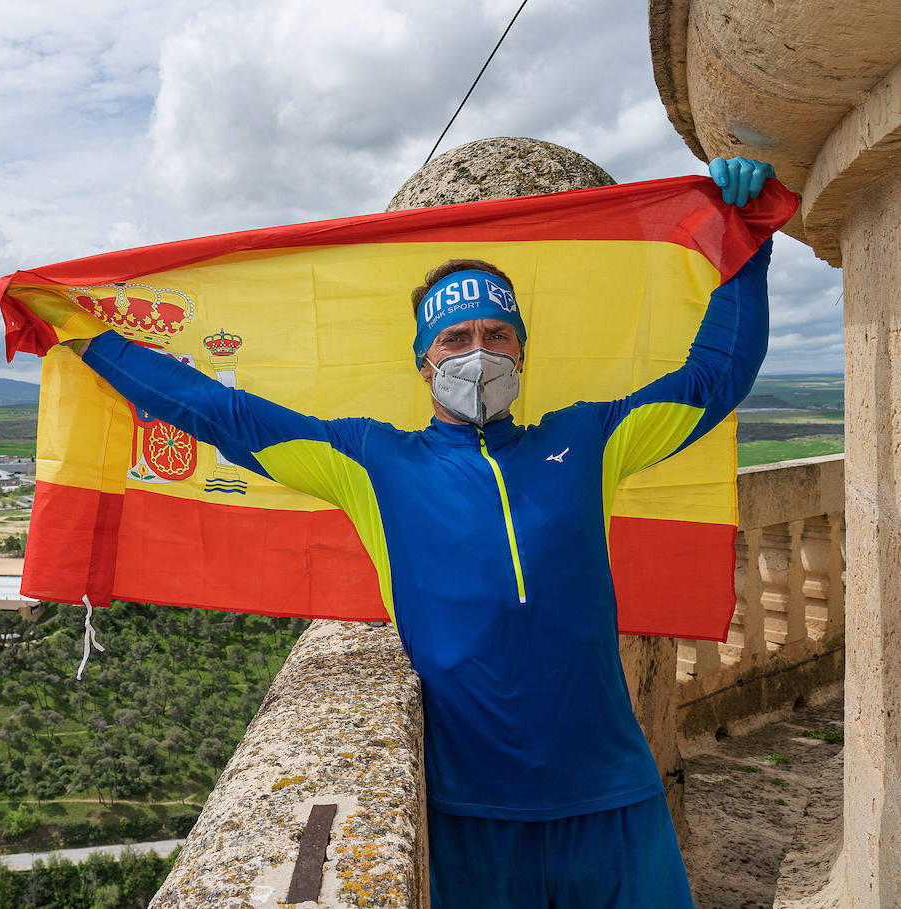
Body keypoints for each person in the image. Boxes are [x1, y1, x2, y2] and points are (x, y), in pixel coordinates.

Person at [60, 157, 776, 908]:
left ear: (522, 351)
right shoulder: (375, 462)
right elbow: (223, 414)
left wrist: (747, 240)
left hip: (613, 797)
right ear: (424, 362)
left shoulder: (589, 438)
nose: (478, 353)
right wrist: (89, 340)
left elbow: (713, 377)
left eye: (496, 334)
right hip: (468, 817)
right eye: (455, 338)